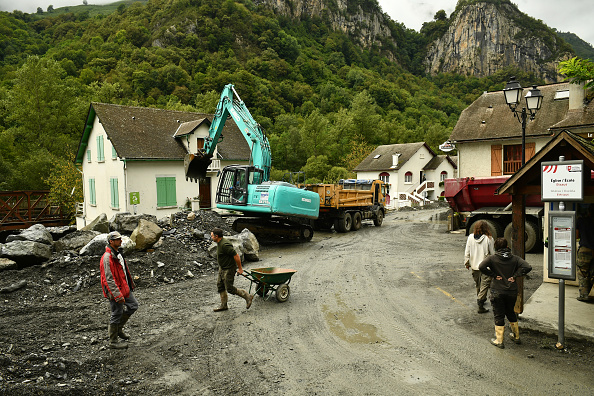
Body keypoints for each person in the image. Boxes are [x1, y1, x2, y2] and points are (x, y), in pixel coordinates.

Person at [479, 237, 532, 348]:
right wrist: (515, 276)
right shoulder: (515, 258)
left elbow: (481, 267)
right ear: (507, 246)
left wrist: (493, 275)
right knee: (510, 312)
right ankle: (516, 336)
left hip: (497, 290)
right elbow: (527, 267)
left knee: (499, 315)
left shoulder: (492, 258)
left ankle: (499, 340)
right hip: (511, 290)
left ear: (496, 247)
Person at [100, 231, 138, 350]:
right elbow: (108, 279)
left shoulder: (118, 253)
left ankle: (119, 329)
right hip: (115, 291)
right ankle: (113, 341)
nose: (120, 241)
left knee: (133, 305)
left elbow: (124, 271)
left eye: (120, 239)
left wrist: (130, 284)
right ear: (111, 241)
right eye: (117, 239)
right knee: (116, 313)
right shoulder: (107, 258)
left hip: (124, 288)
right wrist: (117, 295)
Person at [211, 228, 253, 312]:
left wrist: (240, 269)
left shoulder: (225, 245)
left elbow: (236, 256)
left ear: (216, 236)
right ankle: (224, 305)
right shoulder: (219, 242)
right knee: (220, 286)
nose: (211, 237)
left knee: (229, 288)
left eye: (212, 236)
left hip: (229, 269)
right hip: (222, 268)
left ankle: (247, 296)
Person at [464, 221, 494, 313]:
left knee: (478, 284)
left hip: (474, 266)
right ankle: (480, 303)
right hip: (486, 267)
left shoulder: (470, 237)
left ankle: (481, 298)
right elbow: (493, 254)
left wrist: (467, 263)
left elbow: (467, 252)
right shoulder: (489, 239)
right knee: (484, 285)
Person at [576, 205, 594, 302]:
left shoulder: (582, 221)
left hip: (585, 249)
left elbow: (577, 235)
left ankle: (584, 295)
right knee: (592, 273)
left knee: (583, 273)